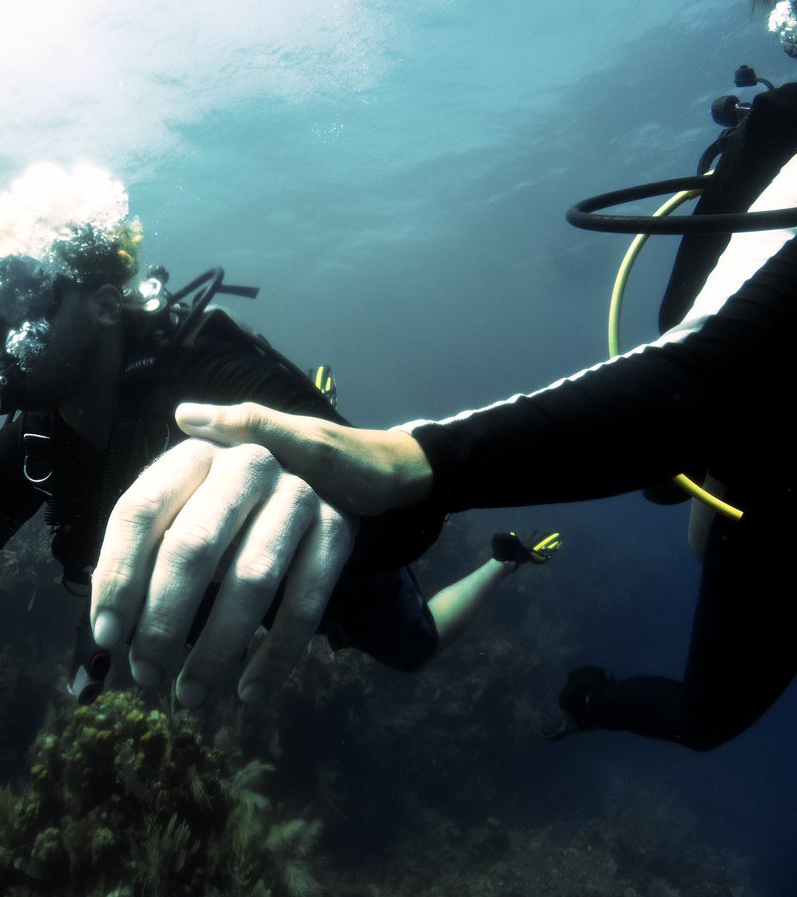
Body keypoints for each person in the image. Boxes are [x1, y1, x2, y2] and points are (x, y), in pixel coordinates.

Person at [92, 11, 797, 748]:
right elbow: (706, 369)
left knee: (420, 641)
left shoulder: (193, 355)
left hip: (731, 450)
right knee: (705, 714)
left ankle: (512, 572)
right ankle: (588, 696)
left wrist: (419, 462)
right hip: (749, 465)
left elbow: (704, 375)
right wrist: (418, 461)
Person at [0, 163, 556, 706]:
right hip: (194, 632)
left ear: (100, 303)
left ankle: (503, 564)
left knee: (415, 649)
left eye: (21, 306)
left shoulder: (224, 384)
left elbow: (413, 510)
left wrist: (327, 491)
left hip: (325, 588)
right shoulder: (29, 446)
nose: (1, 345)